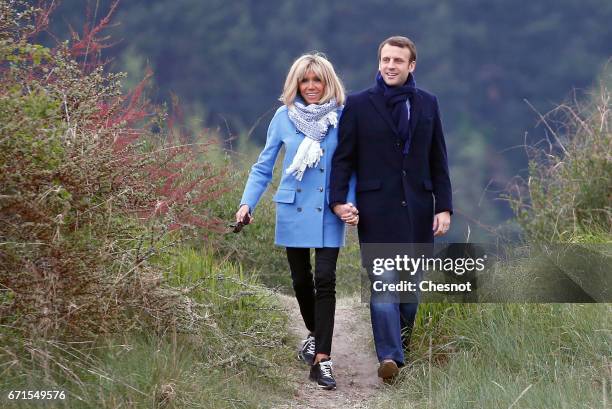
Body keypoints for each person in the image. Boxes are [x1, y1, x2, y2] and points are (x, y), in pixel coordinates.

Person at [329, 36, 453, 381]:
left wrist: (444, 207)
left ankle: (402, 355)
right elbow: (343, 159)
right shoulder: (358, 105)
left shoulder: (428, 104)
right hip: (377, 211)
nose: (390, 66)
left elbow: (438, 160)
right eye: (385, 59)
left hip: (417, 212)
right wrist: (338, 201)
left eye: (398, 60)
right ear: (379, 62)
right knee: (384, 284)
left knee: (409, 293)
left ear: (411, 65)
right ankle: (390, 359)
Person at [236, 53, 357, 390]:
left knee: (325, 279)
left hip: (328, 208)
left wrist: (350, 204)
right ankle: (316, 333)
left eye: (317, 80)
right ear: (296, 84)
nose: (311, 87)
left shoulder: (343, 117)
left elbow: (352, 166)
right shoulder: (282, 117)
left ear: (328, 82)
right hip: (292, 208)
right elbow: (263, 166)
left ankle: (322, 360)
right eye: (305, 81)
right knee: (301, 281)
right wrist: (246, 203)